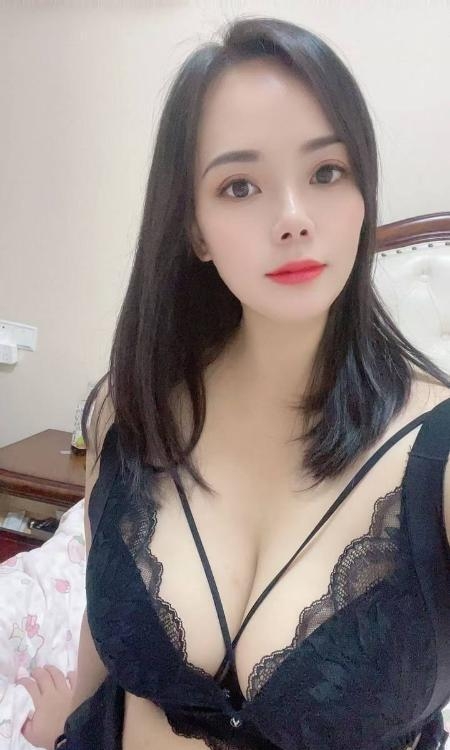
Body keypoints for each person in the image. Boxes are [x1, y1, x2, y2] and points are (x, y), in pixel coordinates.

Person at [18, 15, 450, 750]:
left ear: (362, 194)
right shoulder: (130, 407)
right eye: (240, 185)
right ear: (193, 228)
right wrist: (68, 724)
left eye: (326, 172)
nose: (293, 218)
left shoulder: (434, 460)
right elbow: (106, 615)